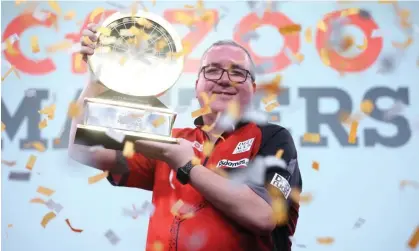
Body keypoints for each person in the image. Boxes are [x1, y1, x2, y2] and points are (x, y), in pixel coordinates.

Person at [69, 23, 303, 251]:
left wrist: (187, 166)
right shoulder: (171, 140)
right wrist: (97, 78)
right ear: (197, 85)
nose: (224, 79)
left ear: (253, 87)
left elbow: (263, 216)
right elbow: (84, 149)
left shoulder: (272, 138)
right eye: (212, 70)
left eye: (238, 73)